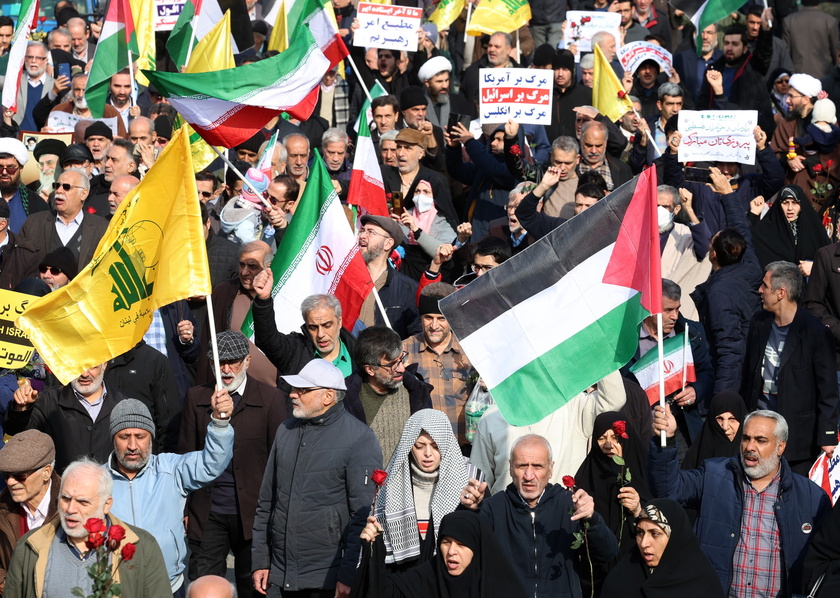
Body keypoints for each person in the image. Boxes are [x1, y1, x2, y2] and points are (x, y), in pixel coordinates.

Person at [649, 407, 831, 595]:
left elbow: (825, 561)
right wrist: (667, 441)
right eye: (746, 438)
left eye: (761, 440)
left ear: (781, 447)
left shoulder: (811, 498)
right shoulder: (713, 476)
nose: (750, 447)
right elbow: (668, 491)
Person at [251, 359, 382, 597]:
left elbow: (362, 516)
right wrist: (261, 559)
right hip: (285, 571)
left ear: (328, 396)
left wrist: (348, 574)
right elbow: (267, 502)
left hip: (327, 578)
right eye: (294, 389)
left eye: (303, 390)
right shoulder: (285, 431)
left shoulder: (359, 439)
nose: (292, 395)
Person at [180, 332, 286, 598]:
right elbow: (184, 456)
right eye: (220, 362)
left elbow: (280, 461)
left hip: (254, 514)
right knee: (203, 586)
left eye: (233, 362)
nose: (226, 369)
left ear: (248, 361)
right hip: (208, 512)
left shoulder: (270, 399)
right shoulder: (196, 398)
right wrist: (183, 507)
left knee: (255, 587)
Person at [461, 434, 619, 597]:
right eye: (522, 466)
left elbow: (608, 553)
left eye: (537, 466)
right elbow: (462, 549)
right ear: (510, 467)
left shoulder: (569, 505)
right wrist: (470, 510)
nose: (529, 476)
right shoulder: (494, 508)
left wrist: (591, 518)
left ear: (550, 469)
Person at [107, 397, 234, 596]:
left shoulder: (170, 469)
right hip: (116, 588)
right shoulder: (97, 480)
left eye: (140, 436)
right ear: (113, 438)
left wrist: (219, 423)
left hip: (168, 584)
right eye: (124, 436)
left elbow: (212, 464)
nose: (133, 445)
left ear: (151, 437)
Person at [4, 457, 172, 598]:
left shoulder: (143, 548)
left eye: (83, 502)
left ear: (107, 505)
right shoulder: (29, 546)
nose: (70, 509)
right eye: (65, 498)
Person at [740, 260, 839, 473]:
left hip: (799, 438)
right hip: (760, 427)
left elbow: (828, 391)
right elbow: (748, 374)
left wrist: (827, 436)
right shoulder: (759, 322)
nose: (760, 290)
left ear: (781, 292)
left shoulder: (816, 333)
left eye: (765, 285)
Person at [368, 409, 474, 569]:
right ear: (409, 446)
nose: (428, 454)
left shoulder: (470, 478)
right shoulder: (391, 482)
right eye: (419, 446)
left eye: (435, 446)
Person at [357, 510, 527, 597]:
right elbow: (384, 592)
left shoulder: (500, 586)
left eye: (461, 545)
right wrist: (374, 549)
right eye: (446, 542)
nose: (452, 552)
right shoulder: (428, 576)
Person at [575, 413, 649, 595]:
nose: (608, 444)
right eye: (601, 438)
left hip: (635, 564)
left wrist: (638, 509)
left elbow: (660, 517)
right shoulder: (586, 475)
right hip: (596, 572)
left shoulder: (645, 471)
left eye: (615, 437)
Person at [4, 363, 127, 472]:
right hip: (61, 490)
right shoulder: (49, 401)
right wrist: (22, 408)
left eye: (91, 367)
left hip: (108, 490)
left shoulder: (122, 403)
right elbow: (17, 432)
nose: (84, 374)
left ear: (104, 365)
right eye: (79, 366)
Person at [601, 499, 725, 598]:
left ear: (675, 538)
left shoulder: (702, 583)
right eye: (640, 532)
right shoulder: (621, 579)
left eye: (654, 533)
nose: (644, 543)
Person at [344, 326, 432, 464]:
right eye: (392, 365)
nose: (401, 368)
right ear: (370, 369)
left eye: (401, 359)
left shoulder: (417, 392)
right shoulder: (345, 399)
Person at [403, 284, 475, 448]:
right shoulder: (403, 351)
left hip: (465, 449)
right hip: (423, 451)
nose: (434, 326)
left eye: (441, 318)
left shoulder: (471, 351)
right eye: (428, 318)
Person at [0, 431, 60, 594]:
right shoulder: (2, 507)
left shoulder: (72, 507)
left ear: (46, 472)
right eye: (6, 475)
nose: (11, 482)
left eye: (20, 476)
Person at [749, 184, 830, 273]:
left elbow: (828, 260)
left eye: (795, 202)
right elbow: (748, 242)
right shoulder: (768, 228)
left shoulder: (814, 230)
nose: (790, 208)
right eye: (785, 203)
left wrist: (814, 266)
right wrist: (753, 215)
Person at [681, 391, 746, 470]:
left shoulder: (751, 456)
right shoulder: (695, 456)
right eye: (719, 419)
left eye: (732, 419)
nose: (725, 427)